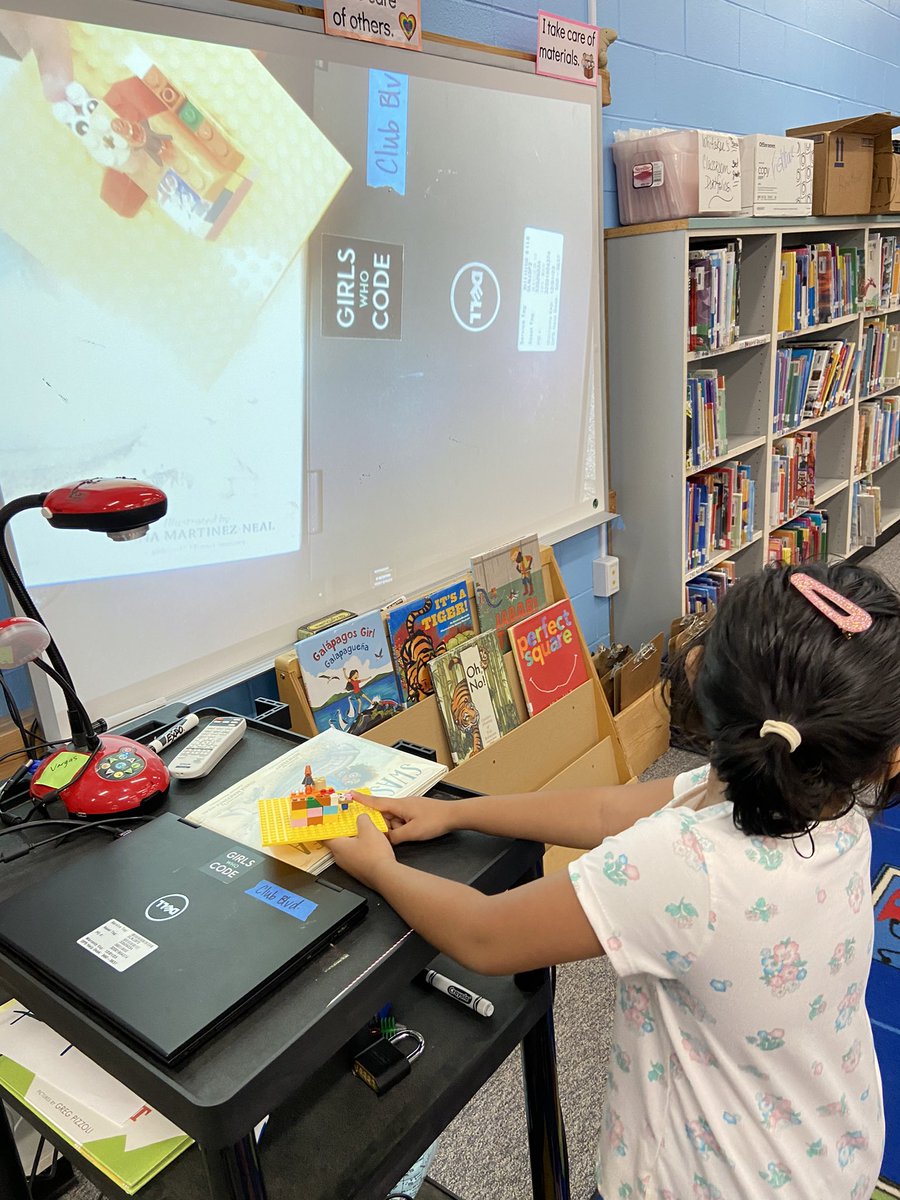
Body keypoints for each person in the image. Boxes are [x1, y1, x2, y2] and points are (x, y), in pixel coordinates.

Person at [331, 561, 900, 1199]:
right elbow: (604, 811)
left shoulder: (686, 864)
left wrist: (377, 867)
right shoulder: (824, 801)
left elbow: (485, 935)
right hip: (825, 1150)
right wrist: (457, 809)